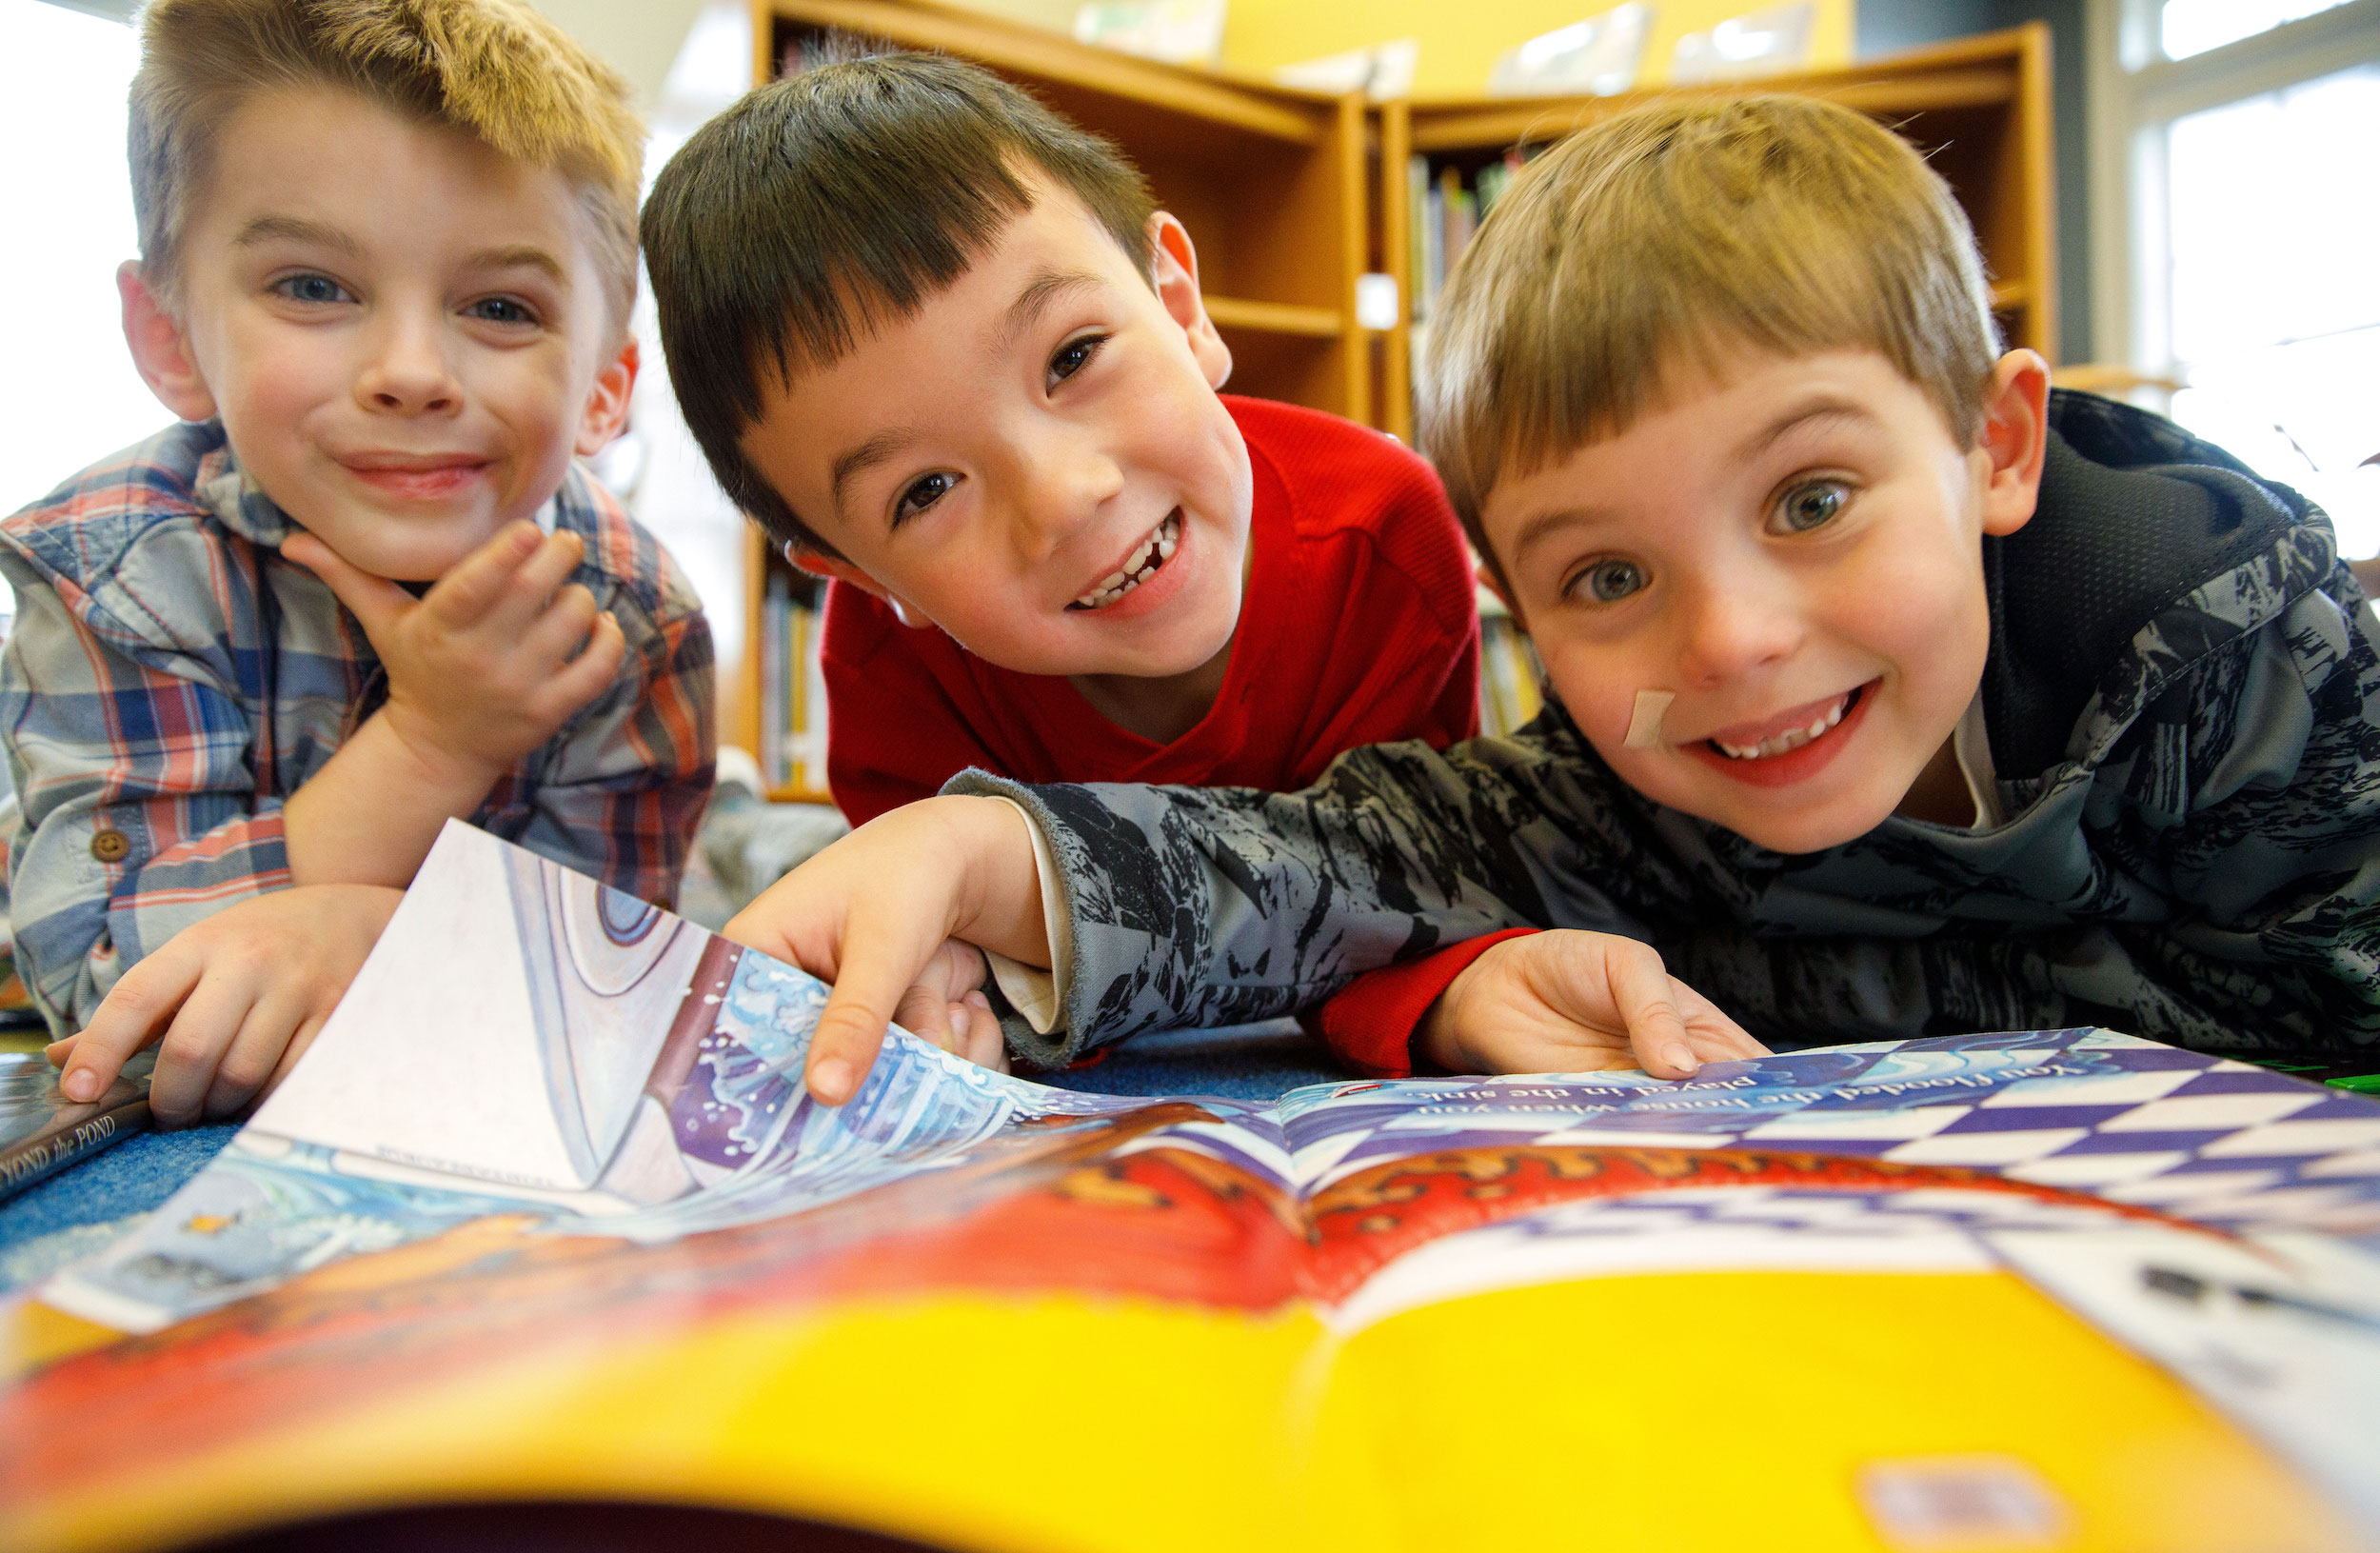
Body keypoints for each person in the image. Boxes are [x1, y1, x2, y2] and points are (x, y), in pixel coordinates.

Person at [719, 95, 2379, 1105]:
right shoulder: (1596, 783)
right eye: (1608, 577)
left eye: (1811, 501)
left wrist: (1785, 992)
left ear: (1996, 444)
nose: (1728, 641)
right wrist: (981, 850)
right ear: (1518, 604)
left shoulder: (2224, 636)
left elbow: (2319, 1003)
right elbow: (1332, 862)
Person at [2, 0, 715, 1125]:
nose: (411, 371)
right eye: (314, 286)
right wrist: (438, 742)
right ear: (173, 339)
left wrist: (367, 935)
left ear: (603, 390)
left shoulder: (628, 614)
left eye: (499, 306)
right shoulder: (112, 567)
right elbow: (108, 1013)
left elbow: (603, 1014)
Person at [639, 51, 1479, 831]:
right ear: (867, 577)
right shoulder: (888, 671)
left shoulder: (1390, 547)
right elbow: (959, 955)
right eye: (926, 490)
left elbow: (1417, 903)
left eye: (1072, 357)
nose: (1064, 498)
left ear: (1180, 308)